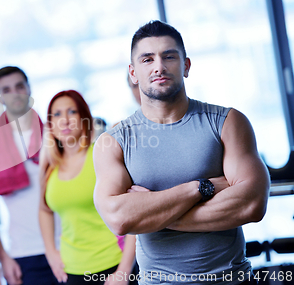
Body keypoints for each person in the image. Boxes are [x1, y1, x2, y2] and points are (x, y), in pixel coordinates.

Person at [93, 20, 270, 285]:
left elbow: (252, 203)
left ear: (186, 65)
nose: (159, 67)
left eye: (169, 56)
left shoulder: (227, 122)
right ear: (133, 72)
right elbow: (120, 219)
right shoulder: (114, 142)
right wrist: (200, 188)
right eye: (147, 59)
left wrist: (153, 213)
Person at [39, 90, 136, 285]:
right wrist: (50, 251)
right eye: (57, 114)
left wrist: (124, 271)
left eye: (71, 112)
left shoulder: (102, 155)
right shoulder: (50, 165)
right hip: (71, 271)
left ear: (84, 118)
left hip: (113, 266)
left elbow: (132, 211)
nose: (64, 120)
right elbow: (44, 210)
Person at [0, 66, 58, 285]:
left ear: (28, 88)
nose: (15, 93)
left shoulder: (56, 134)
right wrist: (3, 258)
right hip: (24, 253)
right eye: (7, 89)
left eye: (19, 86)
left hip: (68, 243)